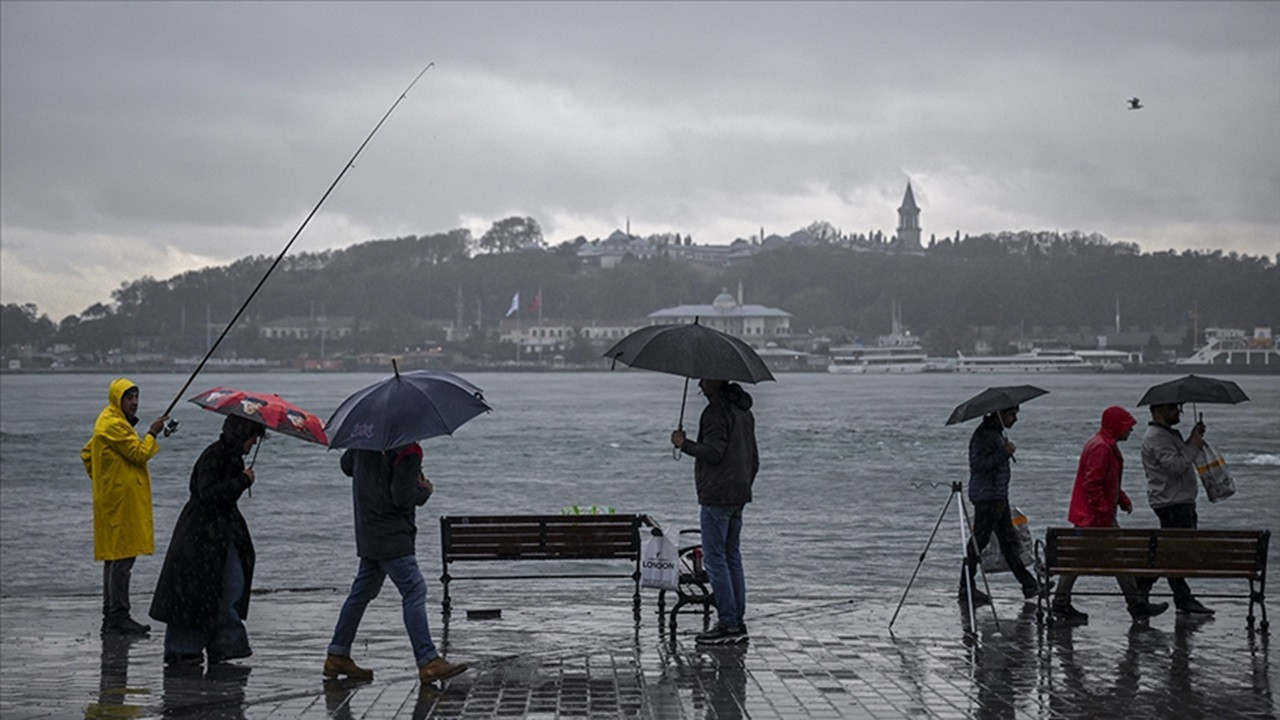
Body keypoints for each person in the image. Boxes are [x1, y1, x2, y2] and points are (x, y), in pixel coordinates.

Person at [323, 443, 467, 684]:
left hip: (368, 530)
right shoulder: (408, 449)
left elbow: (346, 466)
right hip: (392, 535)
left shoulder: (364, 443)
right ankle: (427, 659)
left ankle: (338, 653)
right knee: (414, 589)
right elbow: (402, 497)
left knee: (361, 593)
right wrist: (423, 489)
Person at [149, 414, 264, 666]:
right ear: (242, 433)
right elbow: (209, 493)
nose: (255, 442)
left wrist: (240, 480)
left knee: (220, 589)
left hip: (213, 534)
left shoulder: (228, 455)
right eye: (253, 436)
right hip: (202, 536)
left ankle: (216, 646)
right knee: (210, 591)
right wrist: (242, 481)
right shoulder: (215, 455)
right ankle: (197, 648)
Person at [1051, 406, 1170, 623]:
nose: (1131, 431)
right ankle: (1136, 605)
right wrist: (1105, 511)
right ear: (1117, 426)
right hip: (1095, 518)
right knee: (1115, 560)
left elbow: (1106, 482)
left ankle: (1061, 603)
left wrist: (1121, 499)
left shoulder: (1103, 444)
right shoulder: (1102, 448)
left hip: (1091, 517)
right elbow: (1092, 484)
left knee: (1080, 559)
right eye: (1127, 426)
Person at [670, 378, 759, 645]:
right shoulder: (744, 412)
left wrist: (683, 444)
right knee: (732, 557)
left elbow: (714, 452)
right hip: (739, 493)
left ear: (715, 381)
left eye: (704, 378)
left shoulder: (715, 413)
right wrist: (744, 484)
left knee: (715, 559)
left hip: (717, 495)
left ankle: (729, 623)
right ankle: (736, 621)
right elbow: (754, 458)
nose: (699, 382)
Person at [81, 378, 168, 635]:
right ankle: (118, 616)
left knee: (115, 557)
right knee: (122, 559)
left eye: (136, 397)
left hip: (115, 500)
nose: (134, 403)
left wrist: (106, 477)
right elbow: (139, 454)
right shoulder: (113, 425)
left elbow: (87, 453)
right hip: (119, 504)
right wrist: (152, 432)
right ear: (117, 399)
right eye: (129, 398)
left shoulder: (110, 421)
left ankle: (112, 615)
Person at [959, 405, 1046, 605]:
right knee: (978, 542)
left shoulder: (996, 434)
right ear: (1000, 414)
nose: (1015, 419)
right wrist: (1004, 453)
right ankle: (966, 587)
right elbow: (978, 466)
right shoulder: (983, 436)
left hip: (997, 496)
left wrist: (1004, 451)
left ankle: (1029, 585)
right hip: (986, 497)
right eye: (1012, 414)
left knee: (1008, 541)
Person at [1137, 402, 1214, 615]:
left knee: (1173, 552)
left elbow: (1180, 458)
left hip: (1179, 500)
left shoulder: (1167, 434)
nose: (1178, 412)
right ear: (1159, 410)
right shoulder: (1156, 437)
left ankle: (1150, 587)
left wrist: (1192, 438)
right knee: (1174, 553)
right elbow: (1176, 466)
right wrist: (1194, 446)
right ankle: (1174, 595)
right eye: (1173, 408)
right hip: (1172, 502)